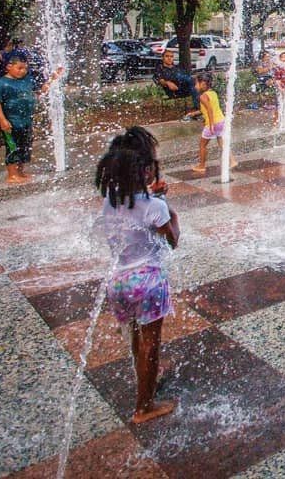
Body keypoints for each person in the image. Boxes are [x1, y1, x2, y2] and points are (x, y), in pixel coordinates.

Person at [97, 127, 180, 424]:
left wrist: (150, 195)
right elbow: (172, 240)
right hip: (148, 282)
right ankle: (145, 406)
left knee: (135, 337)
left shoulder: (110, 199)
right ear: (146, 172)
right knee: (151, 344)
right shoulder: (155, 206)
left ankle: (147, 378)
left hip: (118, 280)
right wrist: (169, 209)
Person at [0, 53, 63, 184]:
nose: (23, 71)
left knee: (25, 146)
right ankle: (12, 174)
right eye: (19, 68)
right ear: (8, 67)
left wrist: (52, 78)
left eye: (25, 68)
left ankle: (20, 171)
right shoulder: (1, 84)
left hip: (26, 120)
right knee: (13, 146)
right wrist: (2, 120)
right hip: (11, 121)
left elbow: (41, 91)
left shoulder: (26, 80)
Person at [192, 73, 234, 173]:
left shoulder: (202, 96)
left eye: (196, 84)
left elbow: (210, 110)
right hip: (221, 121)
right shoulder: (213, 93)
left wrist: (210, 125)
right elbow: (211, 108)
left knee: (202, 145)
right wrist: (194, 113)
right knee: (222, 143)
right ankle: (232, 161)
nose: (195, 86)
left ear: (203, 84)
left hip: (213, 123)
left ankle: (201, 166)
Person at [153, 51, 201, 121]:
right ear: (162, 57)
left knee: (193, 84)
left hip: (184, 89)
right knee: (183, 77)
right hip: (172, 91)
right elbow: (159, 80)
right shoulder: (160, 68)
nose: (169, 58)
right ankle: (199, 110)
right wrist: (167, 83)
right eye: (167, 56)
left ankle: (199, 109)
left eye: (171, 56)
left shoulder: (176, 67)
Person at [271, 51, 285, 126]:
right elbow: (277, 80)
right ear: (280, 59)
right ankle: (275, 124)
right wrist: (281, 90)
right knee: (279, 106)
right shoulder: (278, 68)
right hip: (281, 90)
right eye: (283, 57)